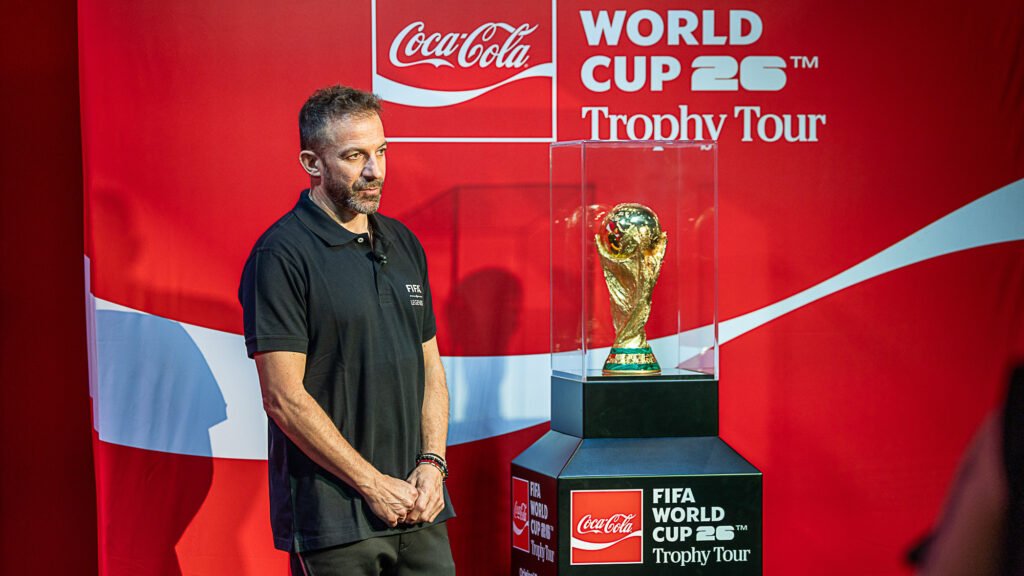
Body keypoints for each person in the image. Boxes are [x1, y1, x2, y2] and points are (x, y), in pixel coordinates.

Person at [239, 85, 455, 575]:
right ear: (312, 162)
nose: (374, 171)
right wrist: (373, 484)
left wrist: (432, 464)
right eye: (355, 156)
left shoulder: (402, 242)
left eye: (380, 152)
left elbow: (431, 368)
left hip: (418, 507)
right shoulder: (281, 255)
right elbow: (283, 398)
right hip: (336, 521)